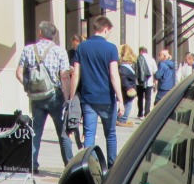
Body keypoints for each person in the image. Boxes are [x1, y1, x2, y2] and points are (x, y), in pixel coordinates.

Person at [16, 21, 73, 174]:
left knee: (36, 131)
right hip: (55, 95)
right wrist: (67, 98)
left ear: (40, 32)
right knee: (63, 133)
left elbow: (19, 72)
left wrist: (28, 87)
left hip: (36, 97)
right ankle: (69, 164)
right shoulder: (60, 51)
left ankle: (32, 164)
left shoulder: (28, 49)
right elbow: (65, 77)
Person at [71, 16, 125, 164]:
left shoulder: (82, 47)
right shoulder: (111, 48)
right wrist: (120, 99)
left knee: (89, 134)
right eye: (109, 32)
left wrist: (71, 97)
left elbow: (76, 73)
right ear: (106, 29)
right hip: (107, 98)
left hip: (88, 98)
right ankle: (112, 165)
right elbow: (114, 74)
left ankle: (89, 165)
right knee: (111, 135)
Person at [117, 45, 140, 125]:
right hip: (127, 91)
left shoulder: (127, 66)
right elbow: (124, 79)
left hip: (129, 89)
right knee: (127, 105)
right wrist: (129, 88)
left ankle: (121, 118)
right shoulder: (123, 68)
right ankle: (122, 119)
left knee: (127, 104)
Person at [135, 47, 157, 118]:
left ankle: (140, 113)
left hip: (139, 82)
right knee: (148, 98)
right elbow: (155, 71)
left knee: (140, 97)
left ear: (141, 51)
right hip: (149, 82)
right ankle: (147, 113)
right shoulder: (151, 59)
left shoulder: (137, 59)